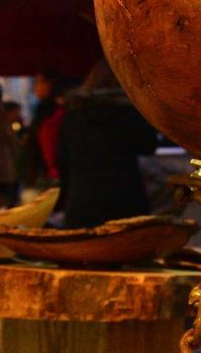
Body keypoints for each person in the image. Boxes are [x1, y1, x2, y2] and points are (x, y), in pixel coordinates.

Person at [57, 59, 160, 229]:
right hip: (125, 199)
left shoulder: (74, 114)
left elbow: (62, 158)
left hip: (82, 200)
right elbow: (148, 145)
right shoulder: (129, 112)